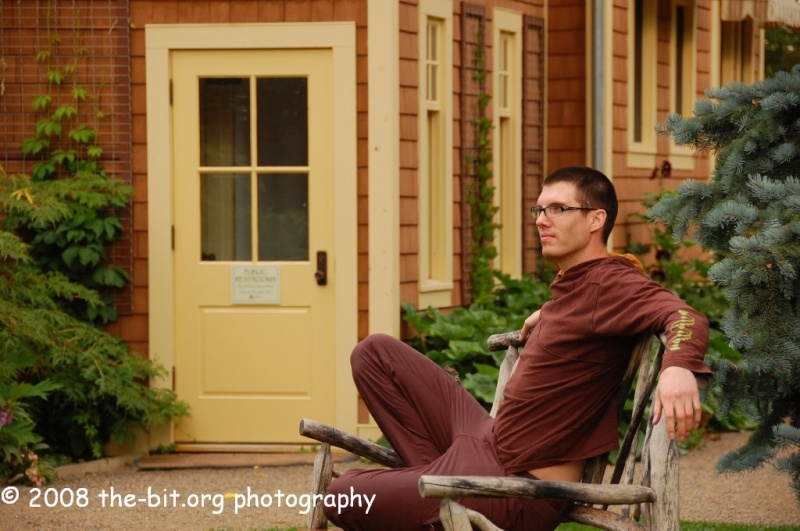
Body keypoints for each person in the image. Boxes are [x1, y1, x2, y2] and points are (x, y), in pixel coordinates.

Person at [323, 166, 712, 530]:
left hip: (518, 484)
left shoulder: (609, 285)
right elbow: (590, 311)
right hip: (488, 439)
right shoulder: (581, 283)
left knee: (342, 494)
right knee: (374, 354)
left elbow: (684, 317)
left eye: (558, 209)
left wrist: (677, 367)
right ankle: (443, 485)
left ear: (596, 220)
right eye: (539, 209)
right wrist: (550, 311)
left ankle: (446, 491)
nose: (542, 220)